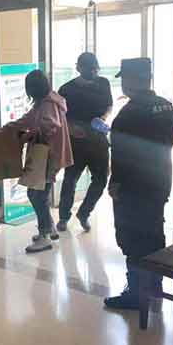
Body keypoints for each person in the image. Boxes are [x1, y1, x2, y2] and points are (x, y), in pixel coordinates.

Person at [104, 58, 173, 310]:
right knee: (154, 233)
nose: (123, 84)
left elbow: (122, 155)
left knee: (132, 238)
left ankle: (136, 293)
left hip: (133, 188)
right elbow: (168, 143)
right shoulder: (166, 105)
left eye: (124, 78)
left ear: (133, 80)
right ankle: (154, 286)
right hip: (159, 181)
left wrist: (115, 183)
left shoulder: (130, 112)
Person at [3, 70, 73, 254]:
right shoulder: (45, 102)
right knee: (38, 194)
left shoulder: (48, 104)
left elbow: (51, 125)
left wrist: (28, 135)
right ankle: (50, 228)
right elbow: (28, 119)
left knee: (37, 195)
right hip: (46, 156)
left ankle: (44, 236)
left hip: (47, 156)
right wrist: (8, 128)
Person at [57, 52, 113, 232]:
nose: (93, 73)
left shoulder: (103, 83)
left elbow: (109, 105)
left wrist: (103, 118)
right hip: (77, 142)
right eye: (89, 69)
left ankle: (84, 212)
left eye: (95, 69)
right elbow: (60, 115)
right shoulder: (66, 89)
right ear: (78, 68)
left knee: (101, 179)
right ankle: (63, 217)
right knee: (70, 179)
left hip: (98, 139)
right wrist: (71, 127)